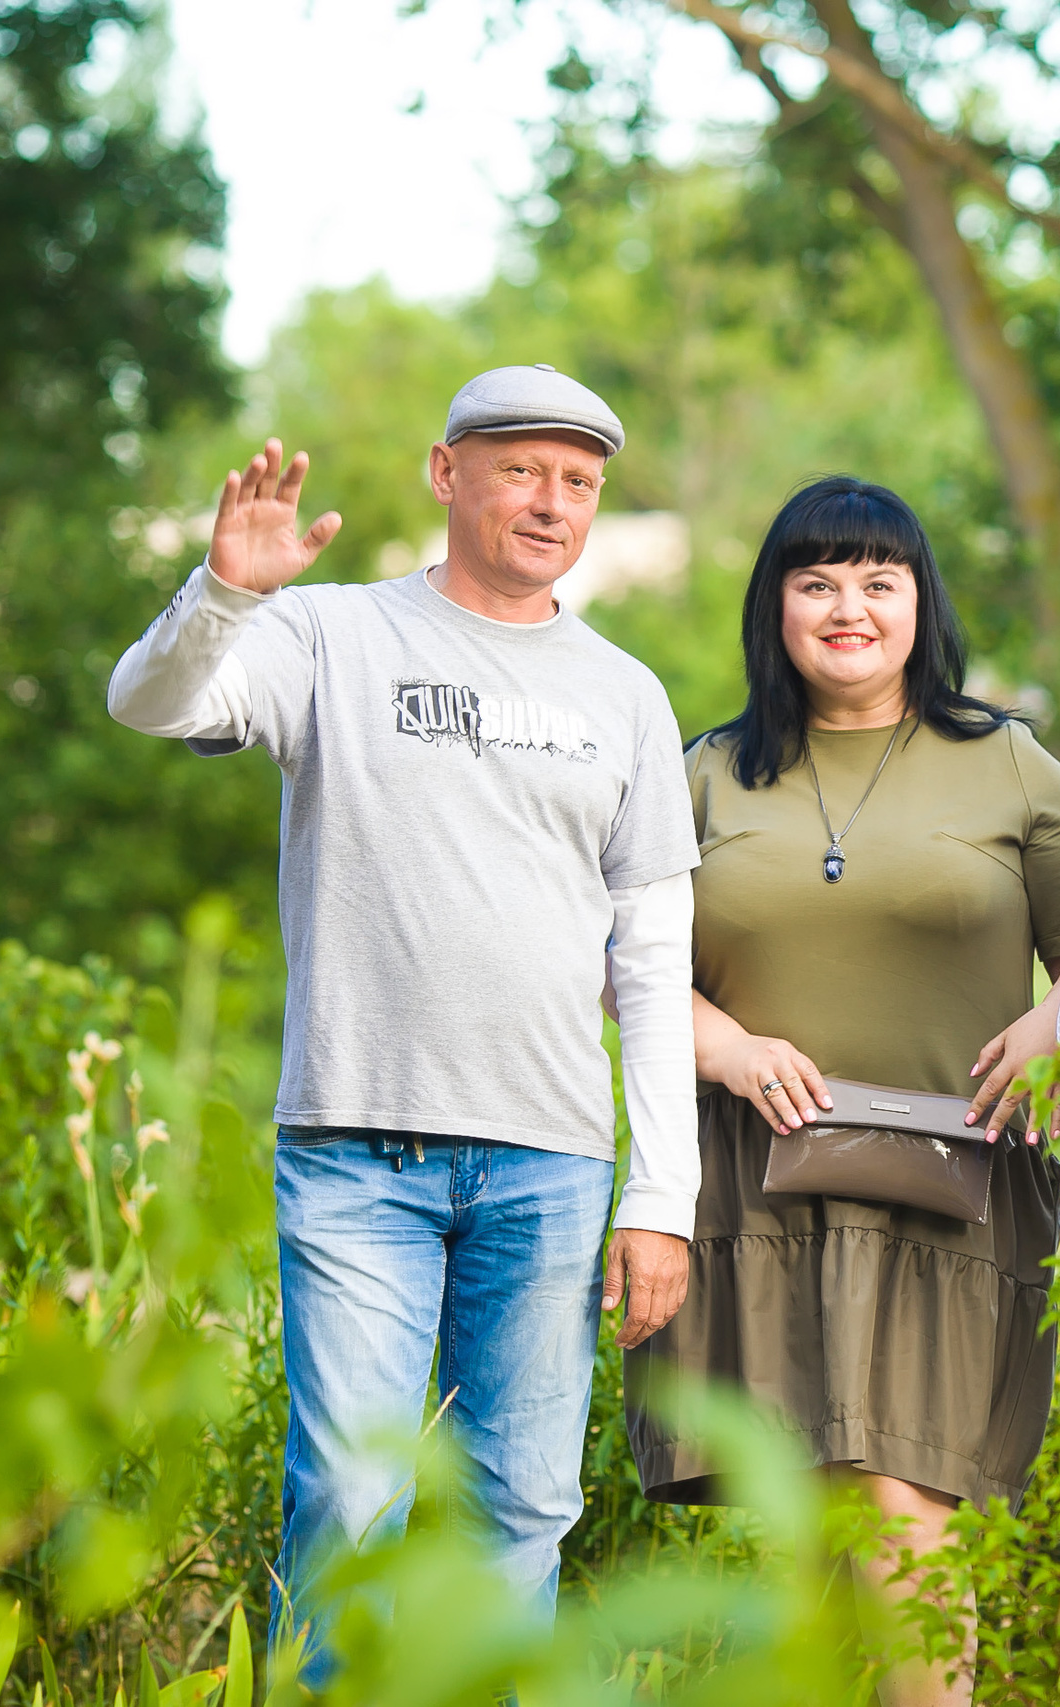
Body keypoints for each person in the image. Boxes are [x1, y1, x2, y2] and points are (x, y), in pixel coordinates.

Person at [105, 366, 701, 1673]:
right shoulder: (328, 635)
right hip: (356, 1148)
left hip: (550, 1159)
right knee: (350, 1499)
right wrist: (223, 595)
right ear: (446, 473)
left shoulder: (627, 694)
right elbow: (149, 702)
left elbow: (657, 961)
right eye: (520, 469)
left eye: (579, 481)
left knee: (521, 1511)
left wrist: (664, 1194)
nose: (550, 501)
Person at [623, 476, 1060, 1707]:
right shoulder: (704, 775)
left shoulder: (1007, 764)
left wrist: (1054, 1020)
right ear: (774, 605)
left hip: (948, 1187)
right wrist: (725, 1046)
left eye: (879, 582)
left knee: (898, 1502)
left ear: (919, 603)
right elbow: (620, 968)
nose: (849, 608)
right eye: (818, 581)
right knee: (815, 1527)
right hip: (757, 1185)